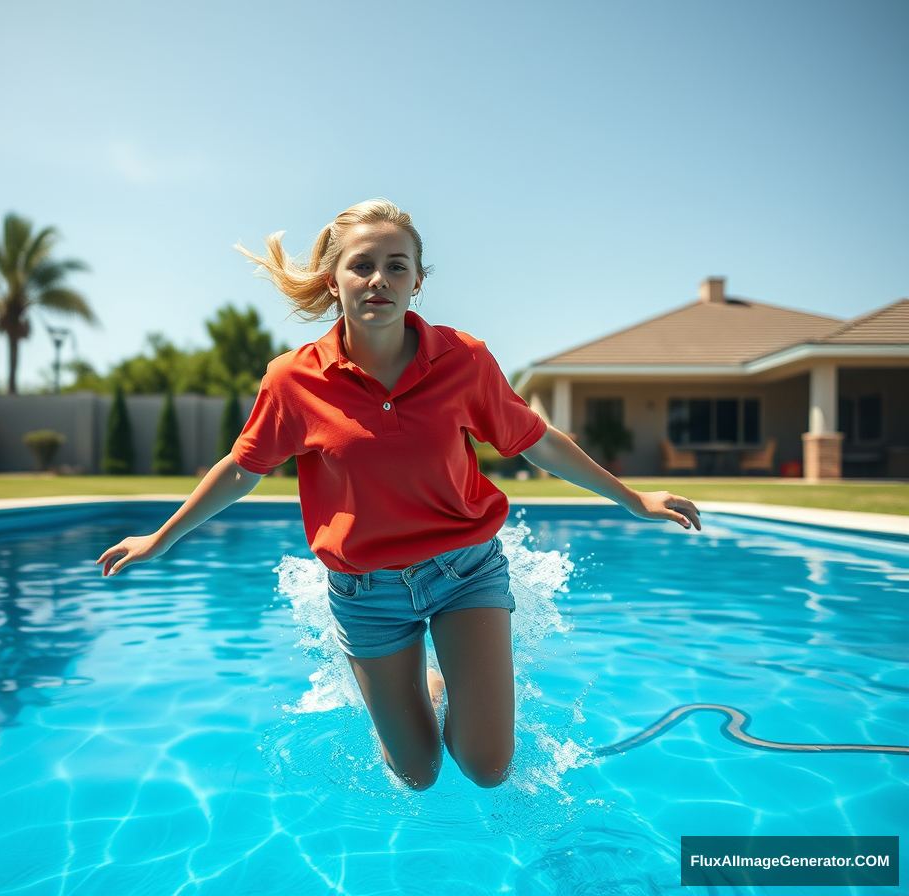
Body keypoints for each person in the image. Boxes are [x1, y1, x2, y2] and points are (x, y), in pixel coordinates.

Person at [96, 199, 701, 792]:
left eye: (396, 265)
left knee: (487, 770)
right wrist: (160, 537)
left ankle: (449, 674)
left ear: (417, 282)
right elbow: (242, 467)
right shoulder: (293, 380)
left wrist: (630, 498)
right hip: (365, 593)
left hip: (464, 572)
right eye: (361, 264)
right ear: (334, 282)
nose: (378, 279)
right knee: (417, 774)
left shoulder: (464, 360)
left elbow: (535, 440)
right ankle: (431, 685)